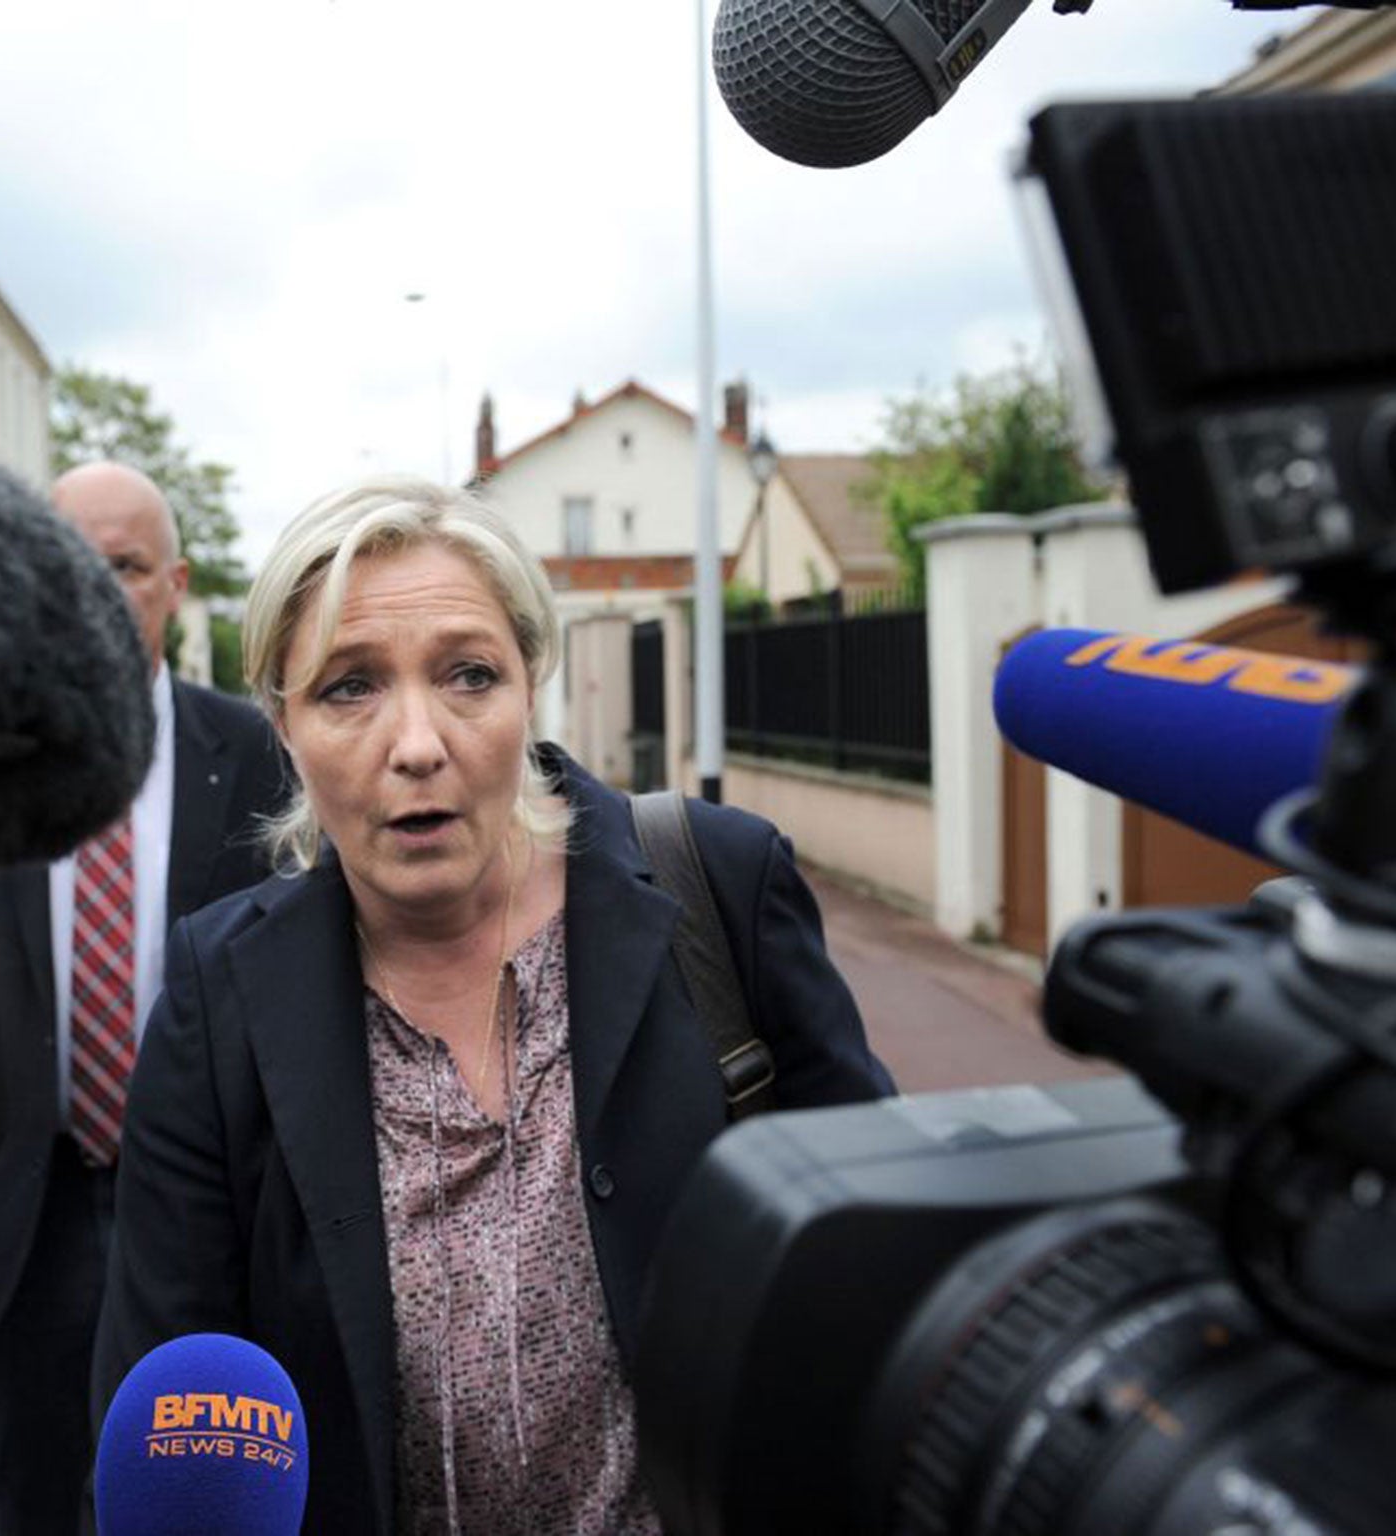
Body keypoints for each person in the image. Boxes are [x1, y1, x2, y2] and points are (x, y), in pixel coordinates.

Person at [92, 476, 893, 1535]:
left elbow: (882, 1262)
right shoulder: (217, 994)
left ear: (530, 686)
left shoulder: (717, 890)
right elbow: (165, 1384)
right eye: (347, 689)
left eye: (468, 675)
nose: (416, 742)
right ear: (281, 727)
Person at [0, 462, 286, 1536]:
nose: (100, 595)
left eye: (127, 568)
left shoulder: (252, 757)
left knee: (193, 1505)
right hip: (22, 1209)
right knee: (32, 1500)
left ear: (177, 585)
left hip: (206, 1207)